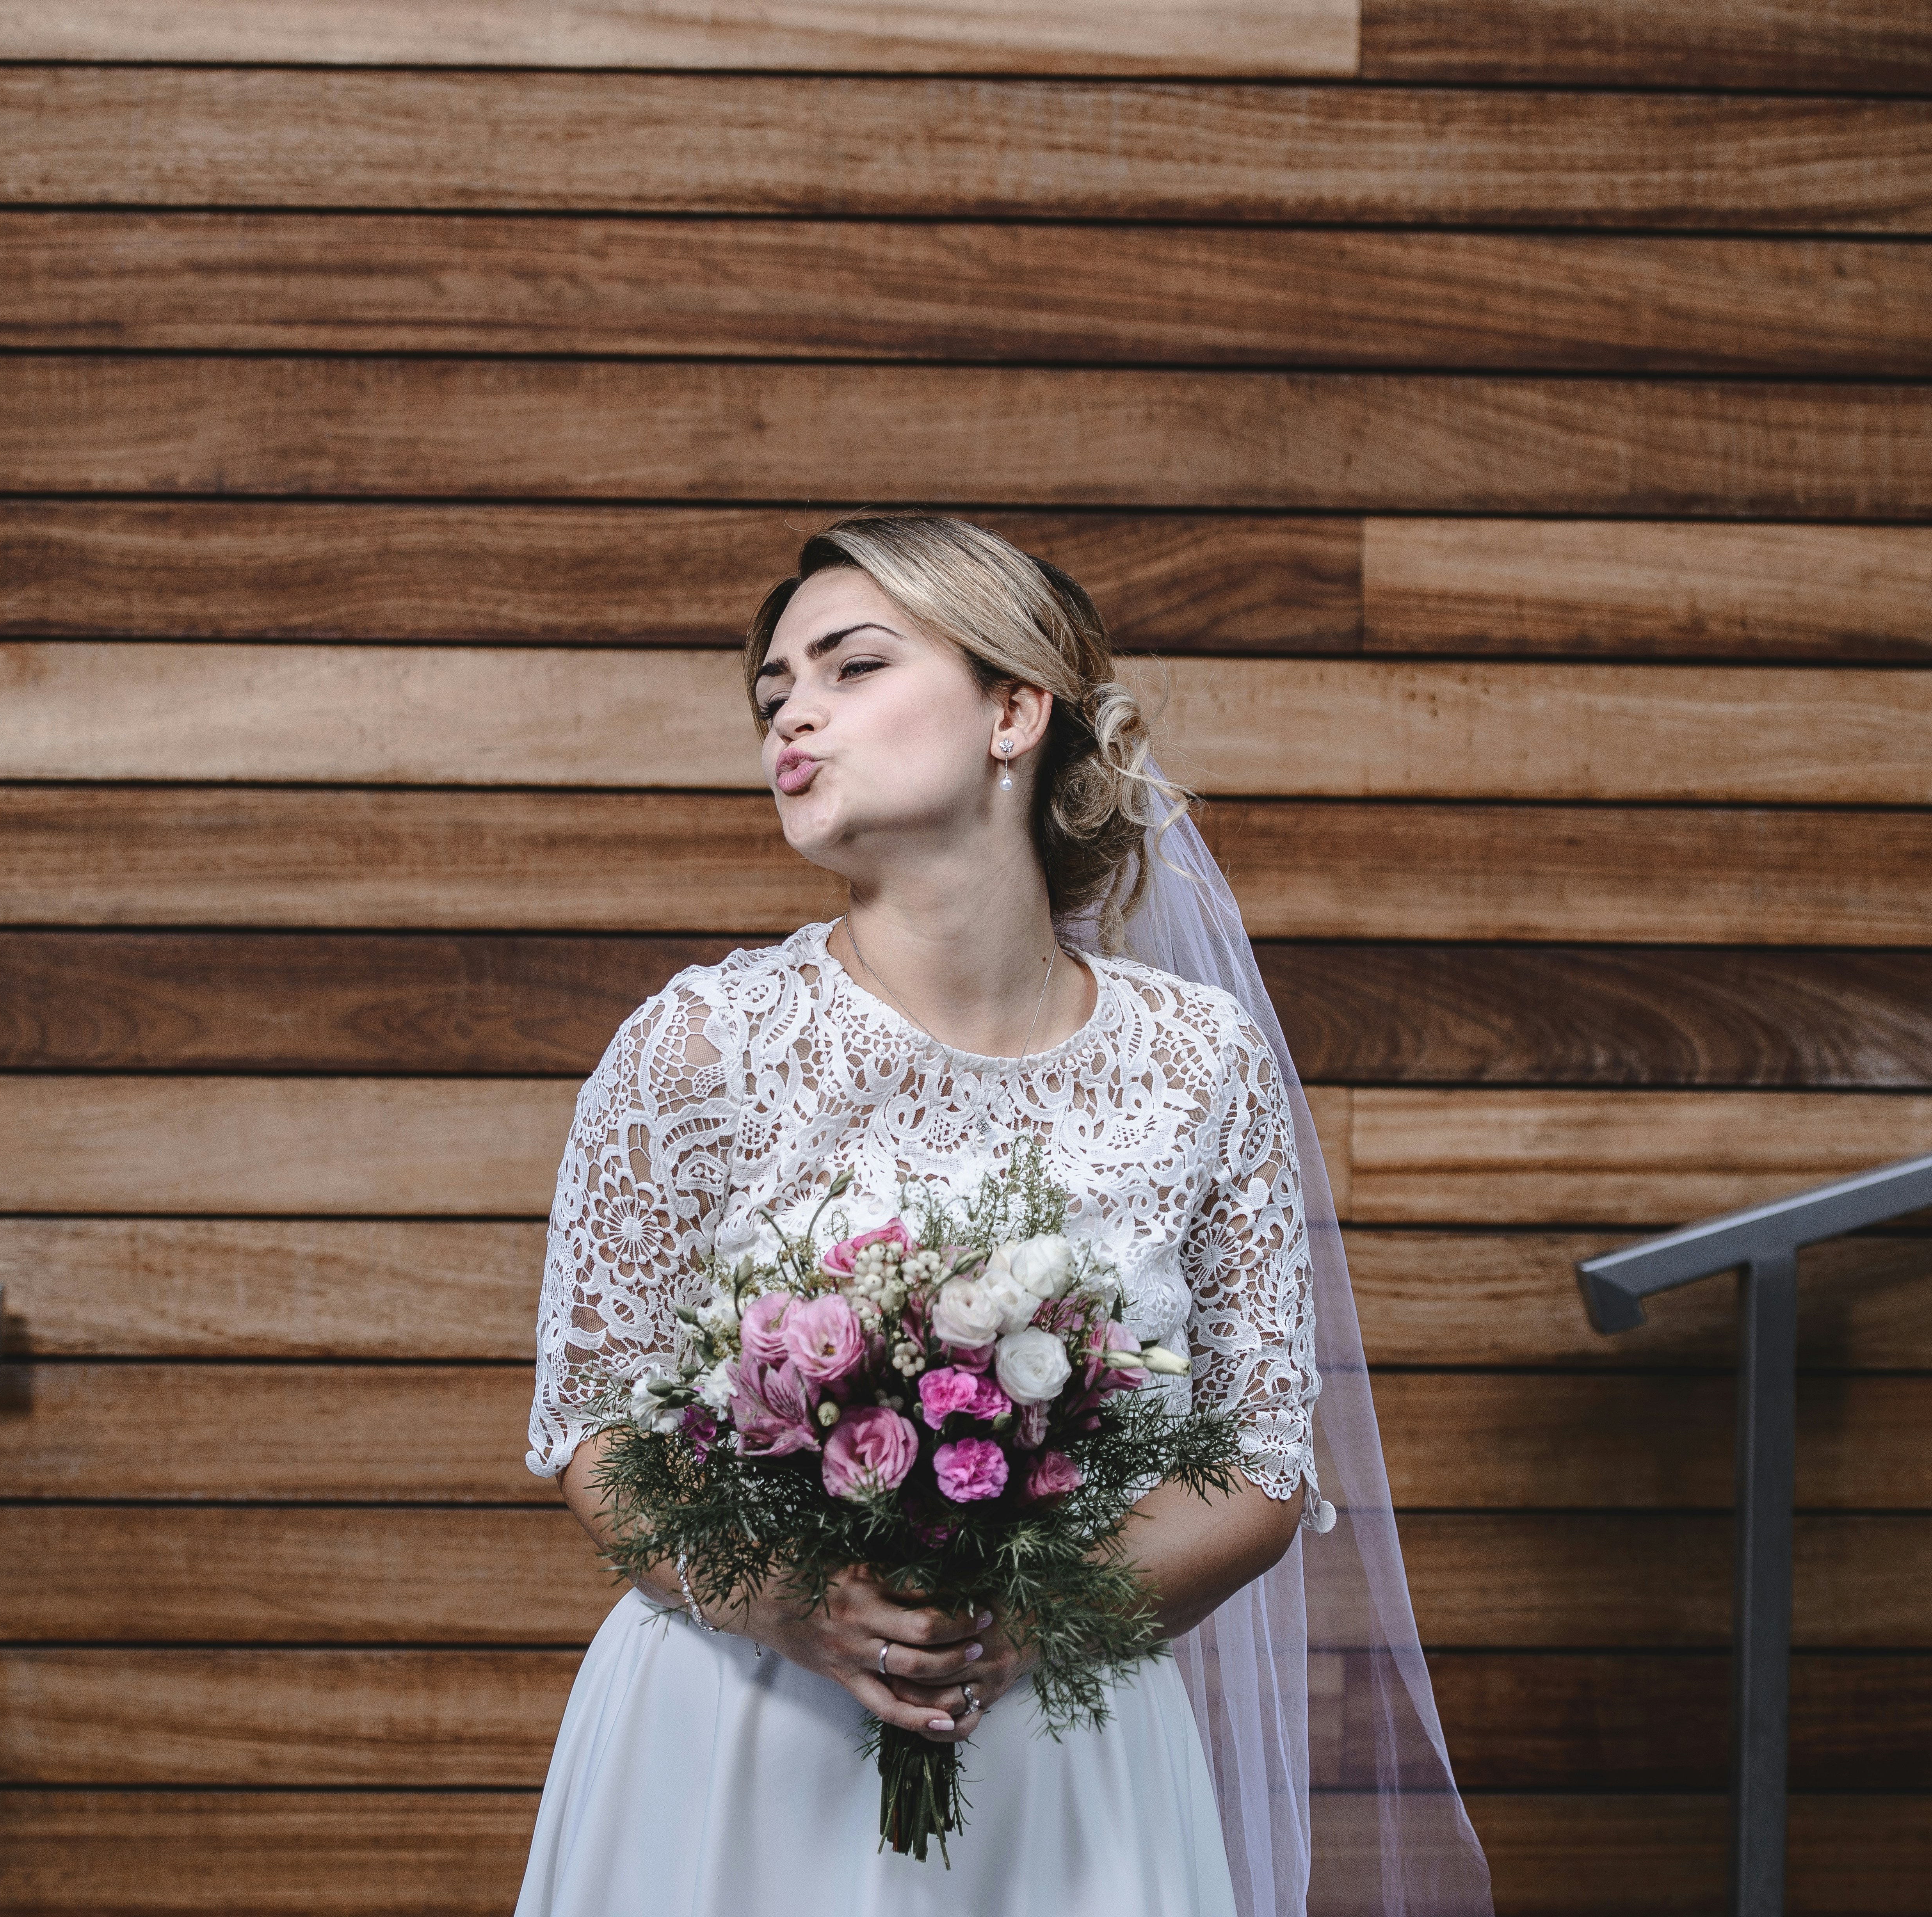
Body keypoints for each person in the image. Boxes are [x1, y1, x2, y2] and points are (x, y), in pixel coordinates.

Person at [517, 514, 1491, 1916]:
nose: (791, 711)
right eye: (774, 690)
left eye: (853, 666)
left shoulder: (1200, 1066)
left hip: (1065, 1755)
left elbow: (1262, 1466)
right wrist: (795, 1604)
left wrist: (1015, 1626)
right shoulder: (699, 1050)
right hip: (740, 1734)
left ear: (1015, 713)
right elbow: (593, 1429)